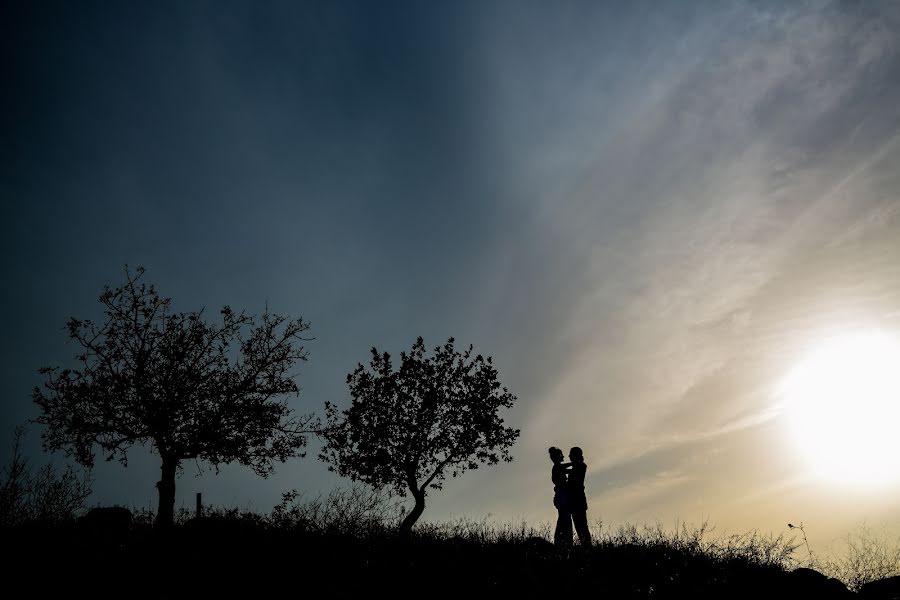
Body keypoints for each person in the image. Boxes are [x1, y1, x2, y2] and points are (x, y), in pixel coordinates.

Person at [567, 446, 592, 547]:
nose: (569, 457)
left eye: (571, 455)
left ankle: (587, 547)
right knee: (579, 527)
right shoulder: (577, 466)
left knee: (582, 527)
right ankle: (586, 547)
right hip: (575, 501)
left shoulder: (581, 466)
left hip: (578, 501)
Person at [548, 446, 573, 546]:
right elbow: (567, 467)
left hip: (560, 496)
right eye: (561, 455)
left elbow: (568, 469)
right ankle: (563, 542)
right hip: (561, 496)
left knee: (563, 519)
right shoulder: (557, 467)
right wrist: (576, 463)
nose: (563, 456)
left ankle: (560, 541)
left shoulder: (558, 467)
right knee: (565, 519)